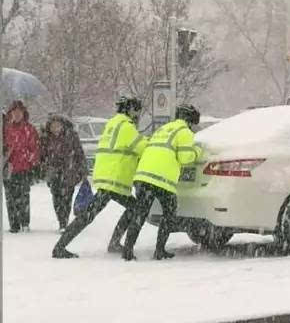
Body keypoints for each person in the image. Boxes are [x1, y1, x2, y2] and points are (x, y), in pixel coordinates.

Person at [52, 96, 148, 258]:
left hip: (106, 175)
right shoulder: (126, 126)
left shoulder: (112, 124)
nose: (138, 115)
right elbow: (142, 147)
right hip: (114, 178)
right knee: (135, 208)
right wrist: (156, 141)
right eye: (137, 111)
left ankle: (61, 246)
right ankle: (113, 243)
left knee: (90, 214)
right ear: (131, 110)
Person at [122, 104, 202, 261]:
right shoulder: (184, 132)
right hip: (162, 179)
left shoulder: (163, 129)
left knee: (140, 213)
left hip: (143, 176)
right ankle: (159, 250)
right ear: (191, 121)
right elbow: (186, 158)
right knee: (169, 214)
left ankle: (127, 250)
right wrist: (197, 150)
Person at [40, 114, 88, 231]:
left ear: (62, 125)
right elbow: (42, 155)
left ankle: (64, 221)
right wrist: (43, 169)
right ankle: (61, 219)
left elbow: (79, 153)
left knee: (67, 198)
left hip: (69, 172)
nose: (55, 128)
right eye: (53, 125)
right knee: (56, 197)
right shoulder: (46, 138)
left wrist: (83, 169)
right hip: (53, 173)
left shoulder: (71, 136)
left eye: (58, 125)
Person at [3, 100, 40, 233]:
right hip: (9, 168)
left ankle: (25, 222)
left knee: (24, 197)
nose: (17, 114)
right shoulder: (6, 128)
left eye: (20, 111)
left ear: (24, 113)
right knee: (10, 197)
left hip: (24, 168)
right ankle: (14, 224)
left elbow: (35, 148)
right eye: (14, 111)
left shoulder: (29, 129)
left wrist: (30, 159)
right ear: (10, 113)